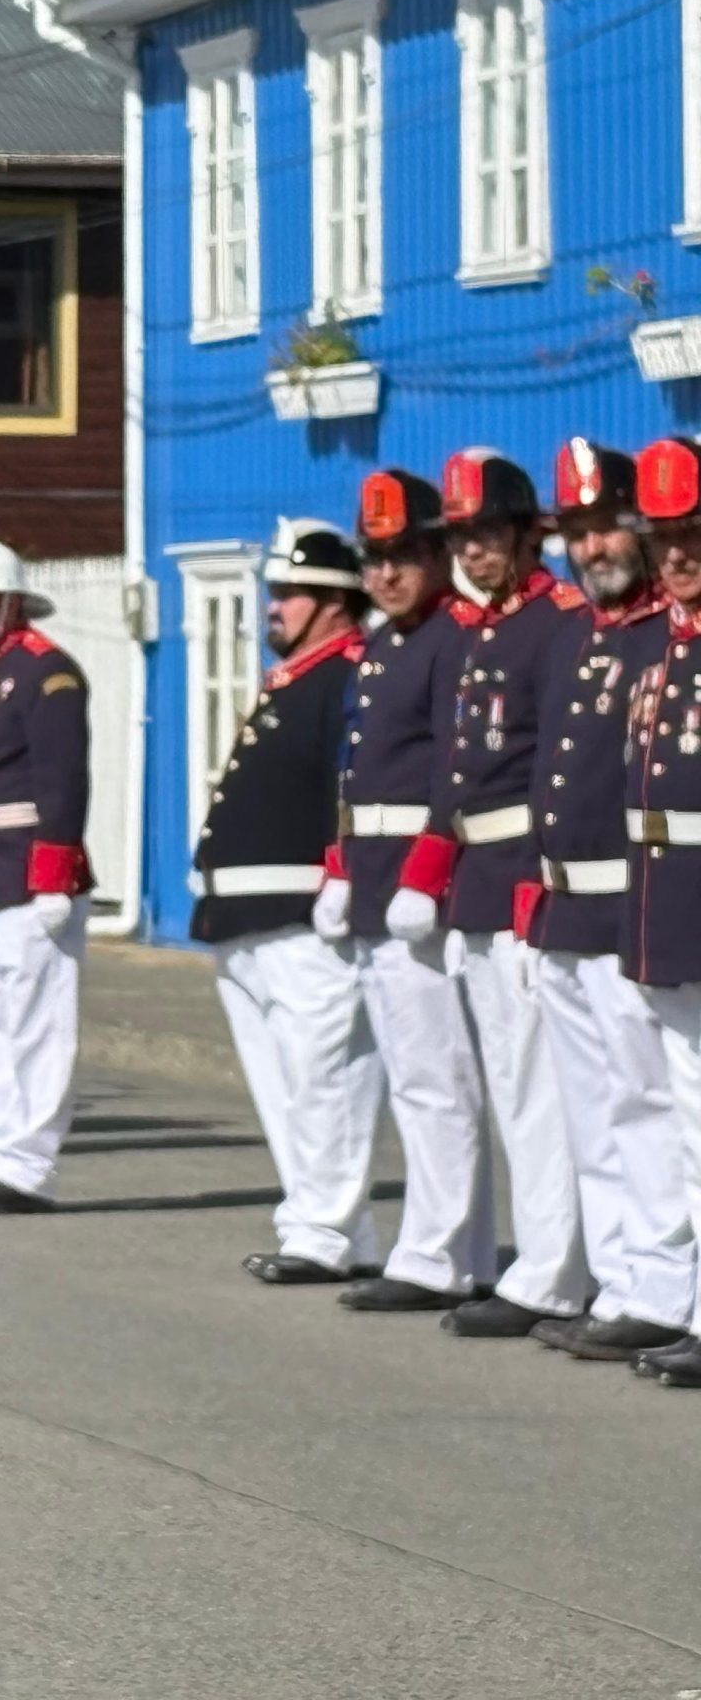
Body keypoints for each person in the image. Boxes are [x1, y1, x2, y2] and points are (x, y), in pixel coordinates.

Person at [387, 447, 592, 1340]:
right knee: (511, 1087)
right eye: (461, 538)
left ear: (524, 534)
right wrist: (430, 873)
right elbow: (457, 774)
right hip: (475, 885)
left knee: (540, 1088)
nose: (471, 552)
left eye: (486, 535)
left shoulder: (557, 622)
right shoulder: (482, 630)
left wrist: (527, 888)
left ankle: (554, 1271)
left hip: (520, 885)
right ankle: (541, 1259)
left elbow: (555, 771)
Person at [522, 440, 692, 1362]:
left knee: (643, 1103)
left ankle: (664, 1287)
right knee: (593, 1109)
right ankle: (624, 1276)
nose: (593, 547)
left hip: (634, 905)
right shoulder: (572, 632)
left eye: (607, 525)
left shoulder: (665, 631)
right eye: (578, 532)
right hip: (564, 911)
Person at [328, 471, 500, 1316]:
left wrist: (425, 873)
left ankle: (437, 1253)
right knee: (414, 1074)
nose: (387, 575)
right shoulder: (383, 643)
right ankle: (457, 1251)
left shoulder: (450, 639)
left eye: (404, 556)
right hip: (372, 875)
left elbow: (452, 770)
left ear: (436, 557)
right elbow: (356, 770)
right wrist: (338, 868)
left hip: (415, 885)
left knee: (437, 1077)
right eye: (375, 558)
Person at [193, 520, 383, 1283]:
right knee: (285, 1087)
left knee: (324, 1078)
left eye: (291, 593)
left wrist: (343, 871)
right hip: (243, 917)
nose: (275, 607)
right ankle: (319, 1221)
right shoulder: (297, 677)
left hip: (303, 916)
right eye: (274, 592)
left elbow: (354, 783)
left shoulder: (348, 676)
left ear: (336, 603)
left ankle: (330, 1232)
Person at [0, 529, 94, 1213]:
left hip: (33, 873)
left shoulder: (45, 672)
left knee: (37, 1021)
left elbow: (62, 780)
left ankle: (29, 1162)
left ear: (7, 603)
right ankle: (3, 1147)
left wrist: (55, 872)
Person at [614, 435, 701, 1388]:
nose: (675, 555)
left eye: (694, 535)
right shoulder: (665, 646)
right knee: (689, 1118)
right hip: (668, 908)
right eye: (664, 537)